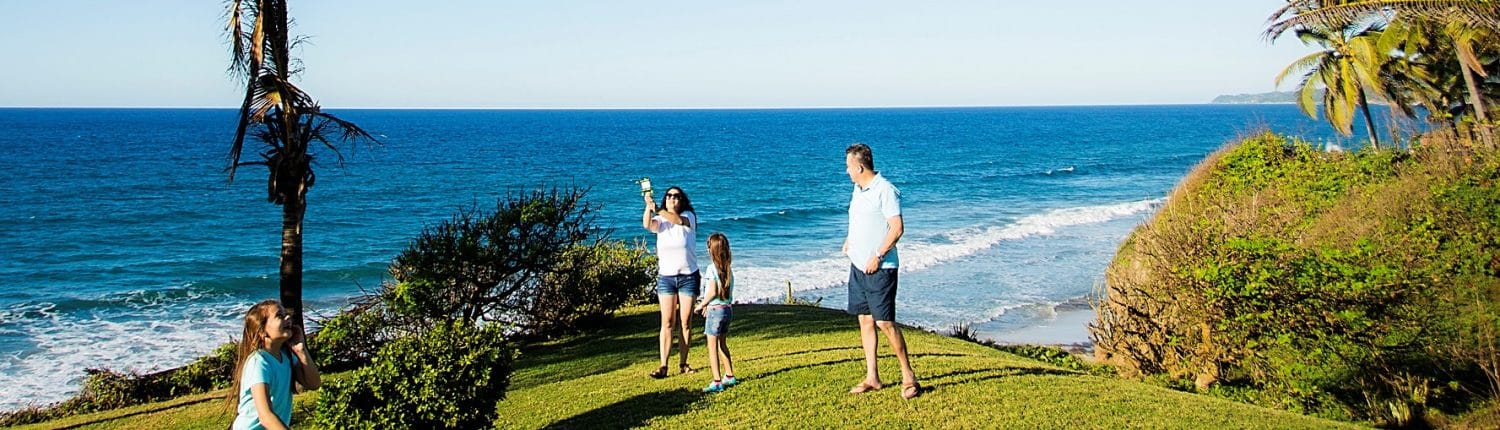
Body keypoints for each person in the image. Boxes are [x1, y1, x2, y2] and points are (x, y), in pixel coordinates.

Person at [841, 143, 921, 399]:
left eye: (849, 167)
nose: (847, 172)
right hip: (858, 266)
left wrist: (877, 255)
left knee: (884, 322)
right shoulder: (858, 188)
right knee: (864, 320)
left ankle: (909, 377)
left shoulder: (885, 190)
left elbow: (896, 228)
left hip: (881, 267)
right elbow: (860, 219)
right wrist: (850, 240)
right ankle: (872, 377)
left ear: (860, 166)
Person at [230, 300, 321, 430]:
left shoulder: (287, 357)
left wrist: (301, 351)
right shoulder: (259, 362)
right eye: (280, 316)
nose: (288, 318)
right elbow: (265, 416)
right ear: (262, 332)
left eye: (286, 314)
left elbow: (314, 383)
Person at [643, 185, 700, 378]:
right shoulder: (660, 220)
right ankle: (663, 365)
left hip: (688, 276)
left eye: (676, 196)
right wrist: (648, 207)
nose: (672, 199)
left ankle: (683, 363)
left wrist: (658, 210)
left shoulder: (689, 217)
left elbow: (676, 220)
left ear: (681, 200)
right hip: (666, 277)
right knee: (667, 322)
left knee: (685, 322)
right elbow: (647, 225)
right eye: (668, 196)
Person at [694, 232, 739, 393]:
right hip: (727, 309)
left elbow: (712, 292)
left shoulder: (711, 269)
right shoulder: (728, 269)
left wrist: (701, 305)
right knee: (723, 344)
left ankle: (717, 380)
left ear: (711, 251)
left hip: (715, 312)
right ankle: (729, 375)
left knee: (712, 347)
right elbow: (722, 293)